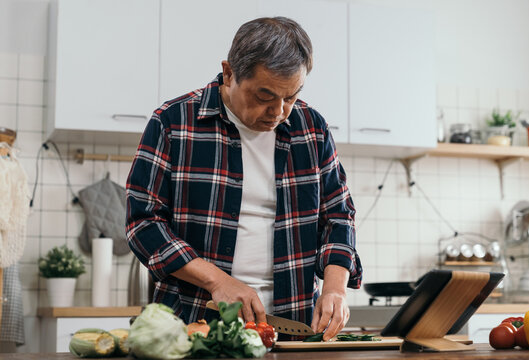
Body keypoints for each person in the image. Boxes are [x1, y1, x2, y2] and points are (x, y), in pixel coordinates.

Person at [126, 16, 362, 341]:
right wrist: (217, 281)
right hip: (196, 324)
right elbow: (143, 223)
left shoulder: (312, 129)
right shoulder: (173, 123)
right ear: (229, 73)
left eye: (291, 96)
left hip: (293, 327)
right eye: (265, 96)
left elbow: (338, 216)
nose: (279, 111)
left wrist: (336, 289)